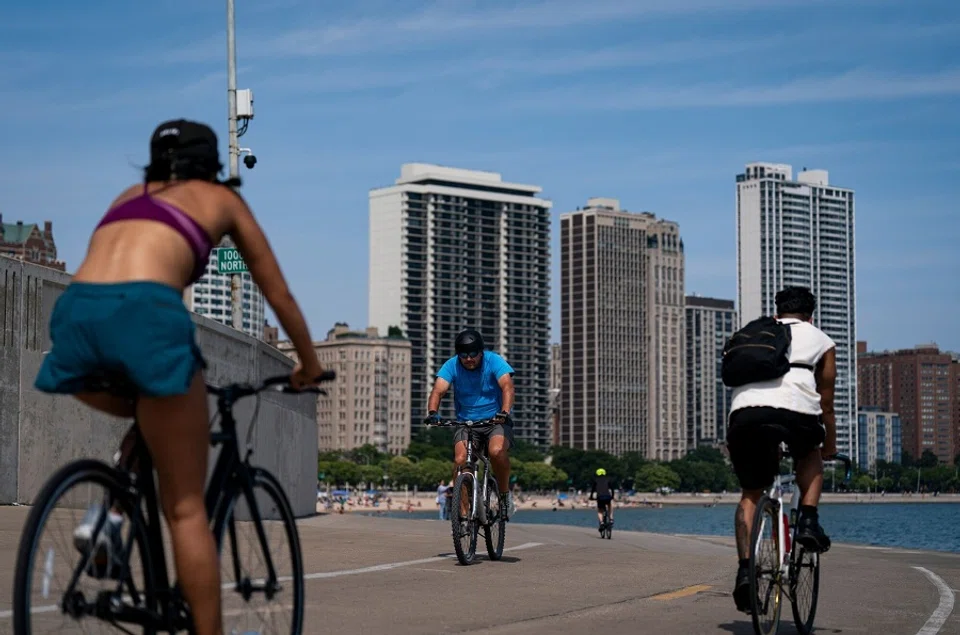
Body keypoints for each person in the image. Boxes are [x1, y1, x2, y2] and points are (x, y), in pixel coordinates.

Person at [33, 119, 324, 635]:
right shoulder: (219, 199)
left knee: (153, 416)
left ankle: (113, 518)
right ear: (210, 163)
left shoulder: (131, 193)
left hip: (75, 315)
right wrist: (309, 364)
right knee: (187, 509)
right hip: (146, 313)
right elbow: (278, 294)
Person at [725, 286, 837, 613]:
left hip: (745, 415)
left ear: (777, 313)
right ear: (810, 315)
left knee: (750, 493)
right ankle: (808, 522)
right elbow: (826, 401)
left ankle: (745, 571)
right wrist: (829, 444)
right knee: (810, 453)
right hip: (797, 413)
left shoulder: (756, 334)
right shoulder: (821, 340)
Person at [423, 329, 517, 520]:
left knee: (497, 451)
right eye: (464, 355)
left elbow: (507, 386)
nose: (468, 359)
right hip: (466, 423)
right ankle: (464, 515)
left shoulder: (494, 361)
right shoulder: (452, 366)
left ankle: (505, 496)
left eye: (473, 354)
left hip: (495, 420)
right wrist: (433, 412)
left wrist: (505, 412)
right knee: (460, 461)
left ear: (481, 352)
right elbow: (437, 391)